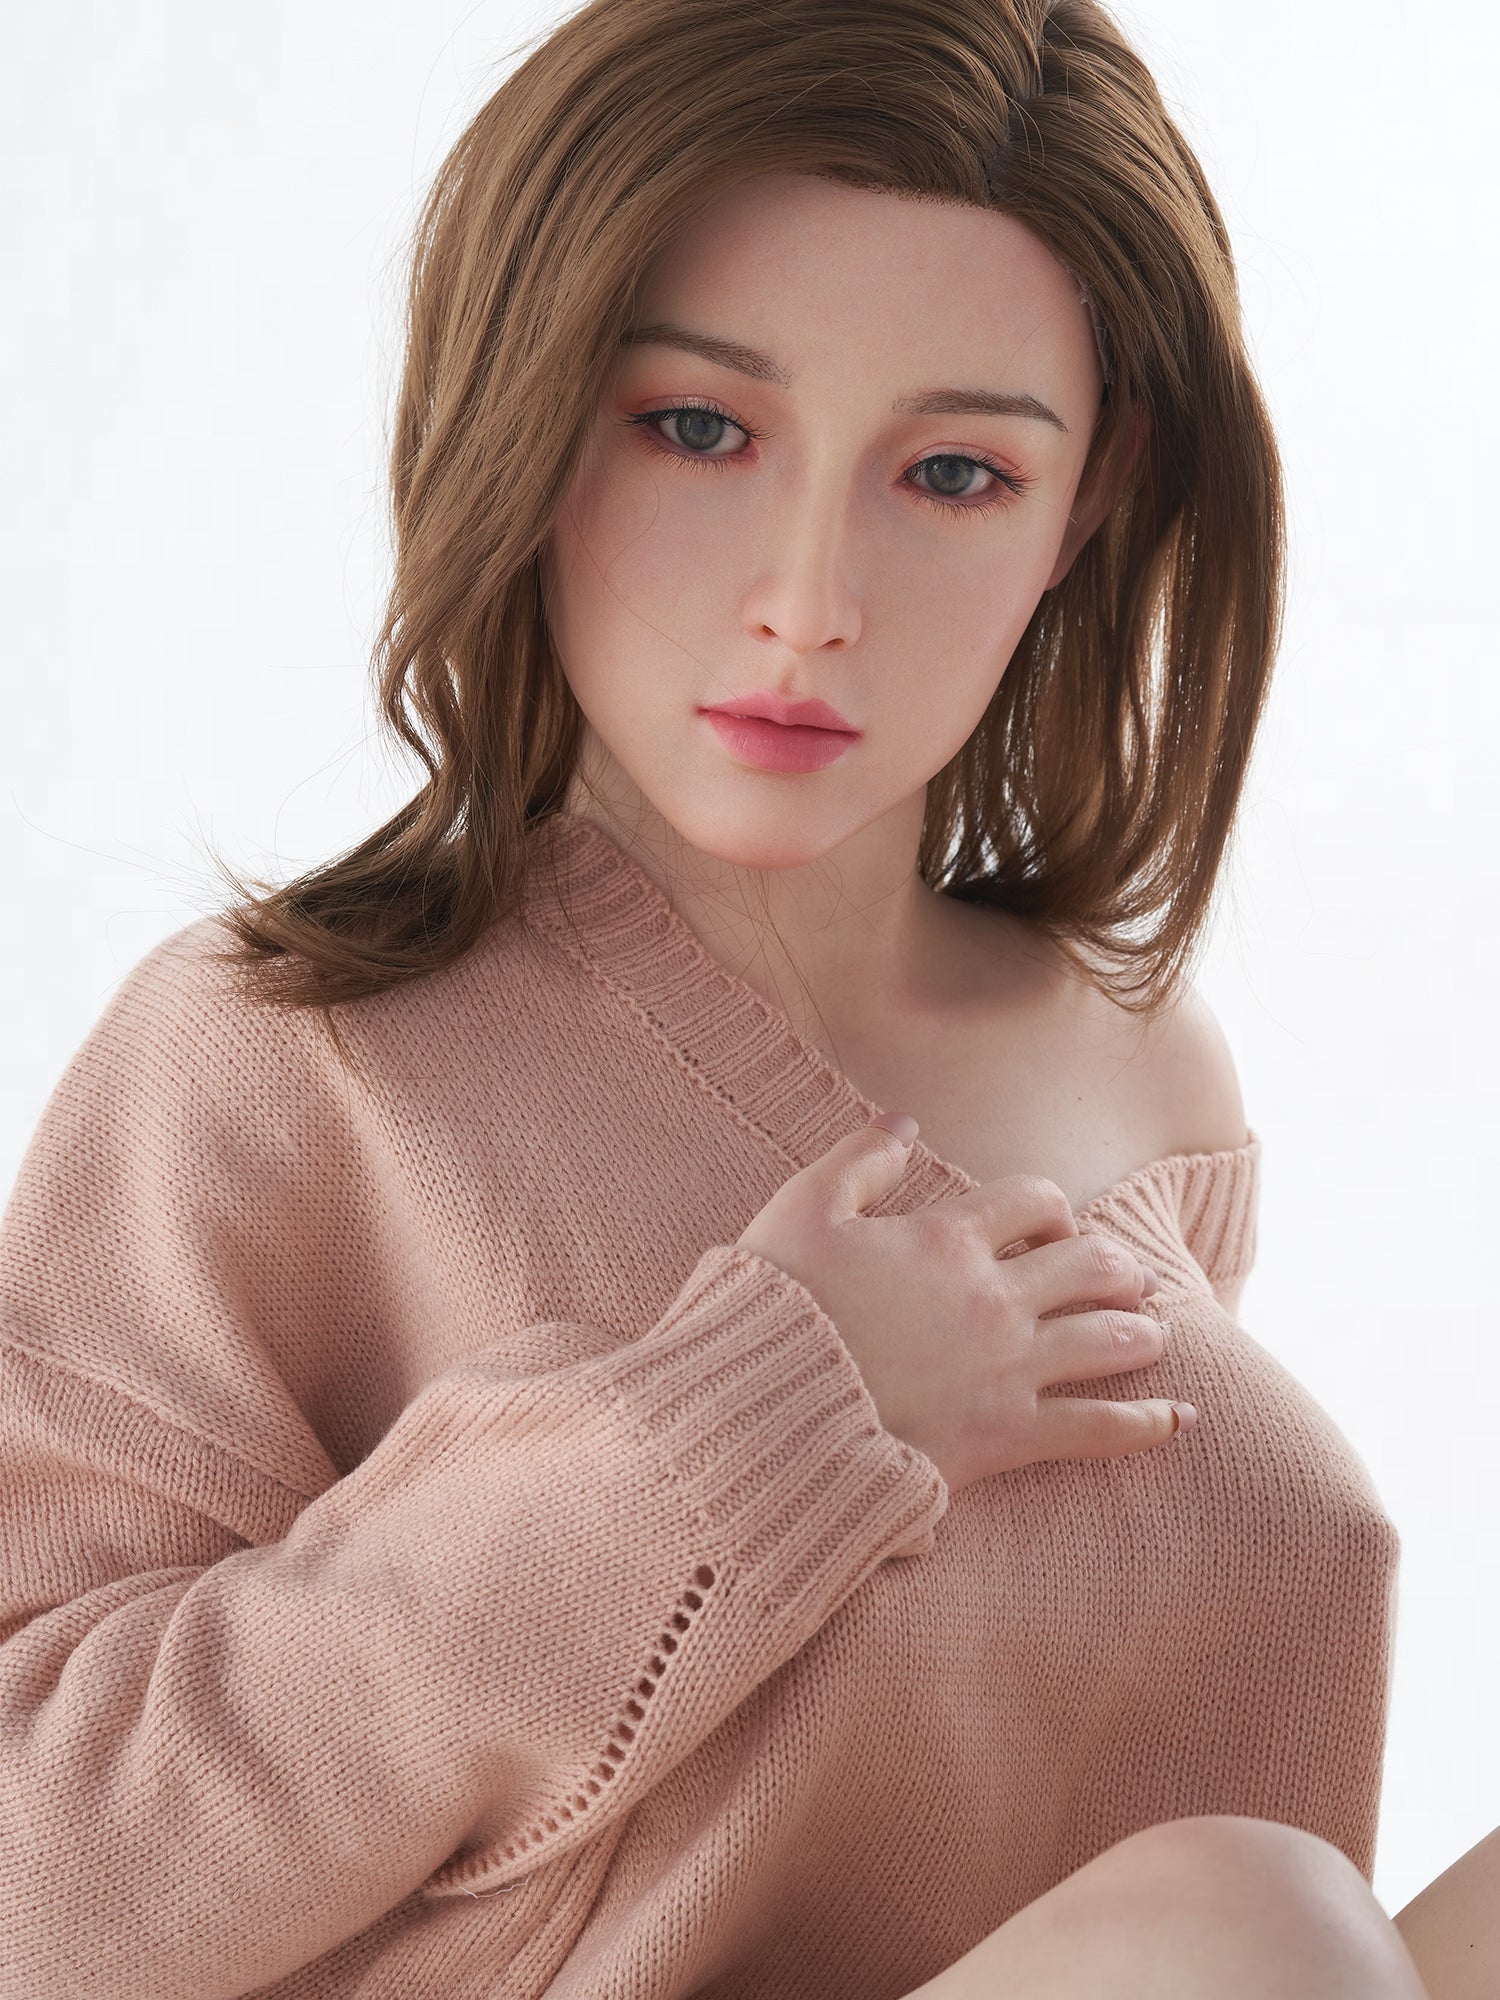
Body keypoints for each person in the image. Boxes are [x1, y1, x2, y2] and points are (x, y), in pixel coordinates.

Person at [0, 0, 1490, 1993]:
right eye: (699, 429)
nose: (810, 600)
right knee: (1255, 1920)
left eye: (951, 472)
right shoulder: (278, 1059)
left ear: (1089, 500)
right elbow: (39, 1879)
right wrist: (749, 1427)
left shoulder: (1149, 1081)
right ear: (533, 414)